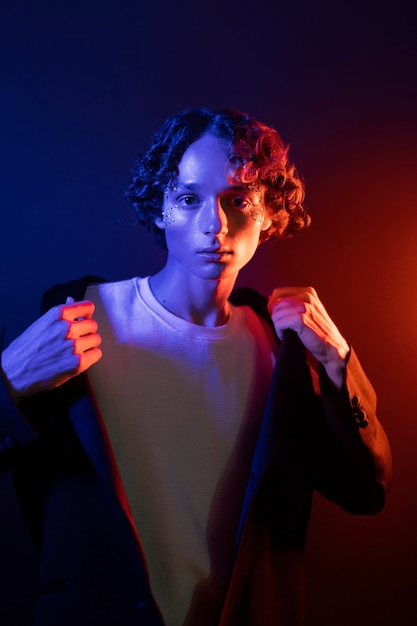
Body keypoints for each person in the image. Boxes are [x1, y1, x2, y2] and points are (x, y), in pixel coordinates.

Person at [0, 108, 391, 626]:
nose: (216, 226)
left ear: (270, 214)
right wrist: (5, 382)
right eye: (189, 198)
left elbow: (366, 492)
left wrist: (340, 363)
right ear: (160, 208)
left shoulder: (282, 348)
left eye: (239, 201)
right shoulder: (78, 316)